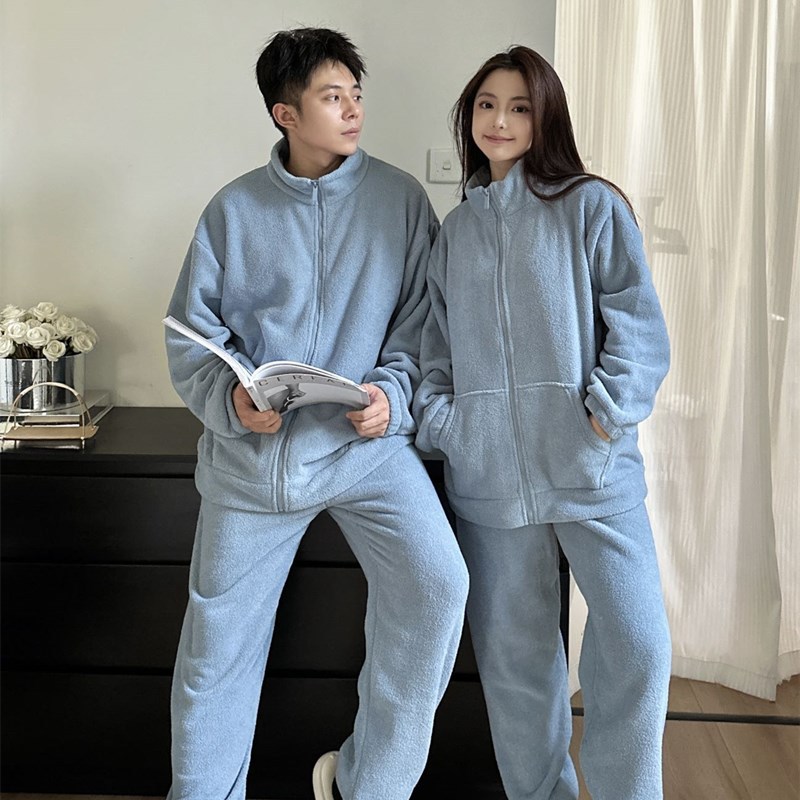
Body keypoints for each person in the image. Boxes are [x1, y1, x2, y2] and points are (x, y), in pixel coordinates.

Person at [164, 27, 468, 800]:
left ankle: (369, 784)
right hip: (252, 463)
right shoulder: (233, 210)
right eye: (333, 97)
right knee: (215, 654)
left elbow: (422, 325)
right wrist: (233, 401)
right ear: (286, 114)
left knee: (438, 584)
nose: (353, 110)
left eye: (356, 95)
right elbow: (192, 337)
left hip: (365, 451)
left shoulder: (401, 200)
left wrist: (391, 397)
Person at [414, 46, 672, 799]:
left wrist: (605, 417)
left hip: (591, 469)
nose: (500, 120)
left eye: (519, 107)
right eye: (487, 105)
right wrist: (450, 425)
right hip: (489, 483)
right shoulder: (456, 232)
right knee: (517, 664)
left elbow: (640, 330)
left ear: (545, 117)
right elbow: (435, 352)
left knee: (638, 645)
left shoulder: (591, 206)